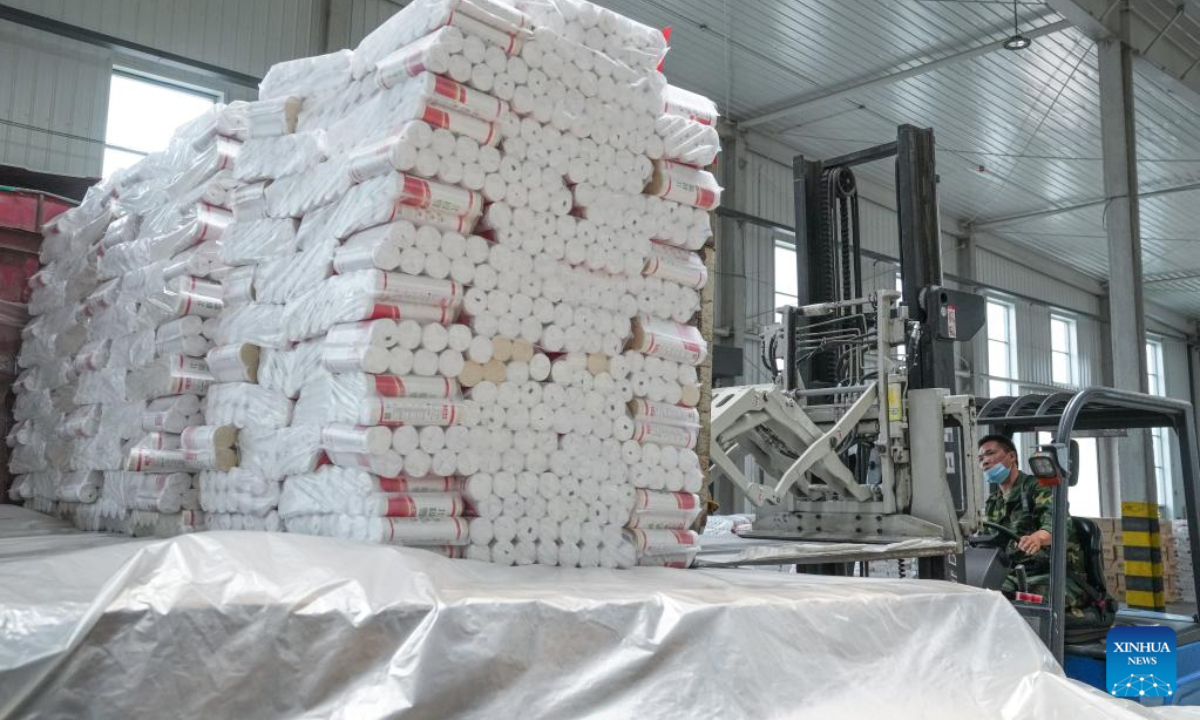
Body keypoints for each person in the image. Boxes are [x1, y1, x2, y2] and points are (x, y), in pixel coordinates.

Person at [978, 434, 1093, 615]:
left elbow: (1057, 524)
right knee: (976, 589)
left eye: (990, 453)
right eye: (980, 458)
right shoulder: (993, 502)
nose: (984, 461)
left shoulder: (1038, 487)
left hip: (1053, 575)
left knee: (1010, 599)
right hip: (1014, 573)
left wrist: (1038, 537)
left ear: (1012, 456)